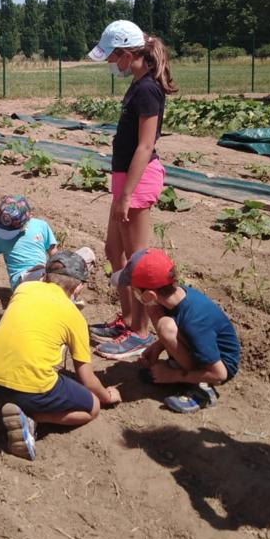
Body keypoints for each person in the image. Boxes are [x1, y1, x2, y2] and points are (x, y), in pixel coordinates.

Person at [86, 20, 177, 360]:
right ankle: (127, 320)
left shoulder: (148, 90)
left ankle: (140, 333)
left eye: (112, 58)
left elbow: (144, 146)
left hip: (137, 180)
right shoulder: (137, 85)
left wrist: (126, 196)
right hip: (125, 178)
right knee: (114, 250)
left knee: (138, 263)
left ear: (126, 55)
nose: (111, 64)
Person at [0, 251, 121, 460]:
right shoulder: (74, 317)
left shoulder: (24, 289)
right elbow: (87, 379)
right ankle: (32, 416)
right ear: (79, 287)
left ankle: (13, 405)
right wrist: (108, 396)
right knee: (93, 406)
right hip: (31, 388)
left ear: (45, 276)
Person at [116, 248, 241, 413]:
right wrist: (159, 345)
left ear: (151, 295)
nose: (135, 294)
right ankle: (181, 369)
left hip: (218, 366)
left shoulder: (195, 320)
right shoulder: (175, 296)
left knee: (165, 326)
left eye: (135, 290)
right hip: (201, 349)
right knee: (159, 317)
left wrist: (171, 375)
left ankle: (202, 390)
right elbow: (182, 328)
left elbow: (220, 374)